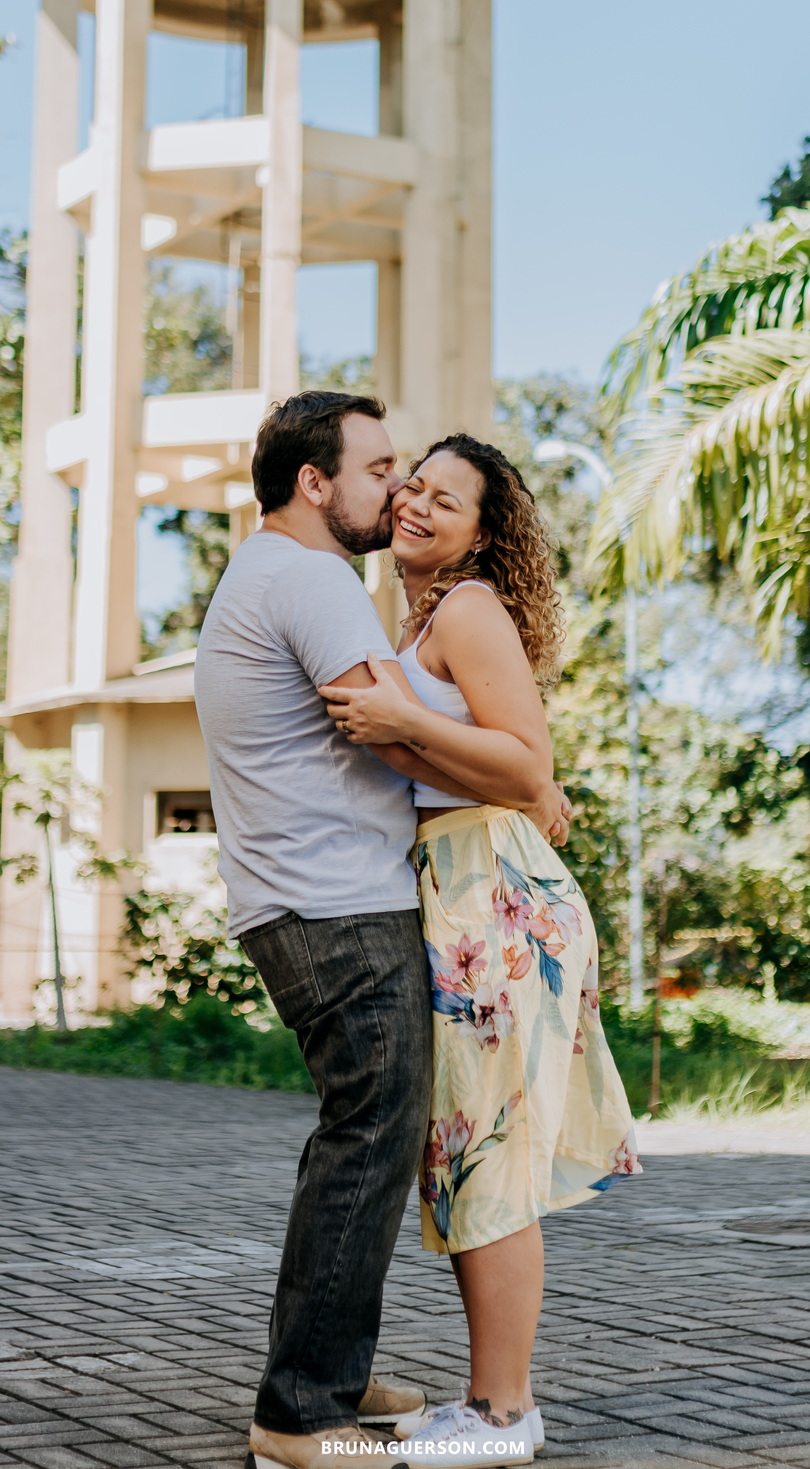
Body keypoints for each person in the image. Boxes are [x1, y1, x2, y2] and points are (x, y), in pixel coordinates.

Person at [193, 393, 571, 1469]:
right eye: (386, 472)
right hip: (340, 908)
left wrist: (513, 780)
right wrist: (509, 776)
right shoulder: (314, 579)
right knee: (379, 1141)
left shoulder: (284, 577)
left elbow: (421, 737)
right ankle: (303, 1410)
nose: (399, 492)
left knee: (403, 1141)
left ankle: (353, 1378)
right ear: (317, 483)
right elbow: (389, 739)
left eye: (431, 488)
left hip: (379, 901)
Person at [319, 434, 641, 1468]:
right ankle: (492, 1404)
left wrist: (406, 718)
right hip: (456, 883)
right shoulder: (416, 619)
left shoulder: (466, 610)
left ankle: (504, 1414)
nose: (414, 503)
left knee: (486, 1151)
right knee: (467, 1149)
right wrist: (405, 729)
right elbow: (477, 767)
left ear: (483, 534)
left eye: (444, 500)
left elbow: (523, 759)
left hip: (488, 893)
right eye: (412, 483)